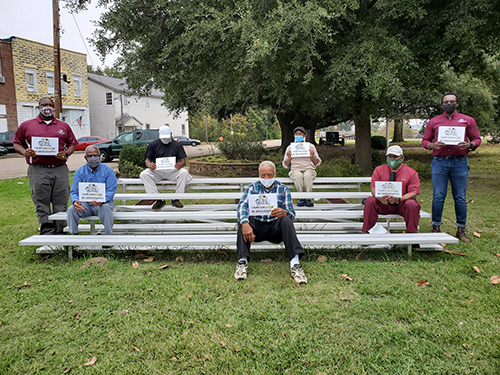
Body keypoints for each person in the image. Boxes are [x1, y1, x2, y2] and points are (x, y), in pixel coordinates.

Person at [234, 161, 307, 284]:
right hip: (256, 229)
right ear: (259, 175)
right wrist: (245, 223)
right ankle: (242, 261)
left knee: (286, 219)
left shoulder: (283, 189)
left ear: (275, 174)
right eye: (263, 175)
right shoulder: (252, 188)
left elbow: (292, 214)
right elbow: (242, 206)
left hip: (276, 230)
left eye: (269, 175)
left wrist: (285, 212)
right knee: (244, 221)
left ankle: (295, 263)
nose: (266, 178)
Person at [422, 92, 481, 242]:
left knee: (460, 197)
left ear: (457, 104)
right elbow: (424, 141)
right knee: (438, 196)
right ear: (442, 105)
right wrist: (432, 145)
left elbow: (477, 139)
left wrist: (470, 145)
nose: (449, 103)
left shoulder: (467, 120)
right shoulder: (434, 121)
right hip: (439, 162)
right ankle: (436, 227)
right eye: (446, 101)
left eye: (452, 101)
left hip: (459, 162)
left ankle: (461, 230)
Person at [13, 97, 78, 234]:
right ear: (39, 107)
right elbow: (16, 143)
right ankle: (47, 233)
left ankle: (61, 231)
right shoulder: (27, 125)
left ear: (54, 107)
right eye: (44, 105)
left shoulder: (63, 126)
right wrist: (25, 151)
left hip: (59, 169)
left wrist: (66, 154)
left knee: (61, 202)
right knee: (41, 203)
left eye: (50, 105)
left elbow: (72, 144)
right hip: (38, 169)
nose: (47, 107)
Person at [362, 145, 421, 234]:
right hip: (383, 203)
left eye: (395, 157)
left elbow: (413, 193)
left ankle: (411, 236)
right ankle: (367, 232)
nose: (392, 159)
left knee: (412, 204)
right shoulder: (379, 170)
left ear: (402, 158)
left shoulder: (411, 173)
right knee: (370, 201)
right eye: (390, 156)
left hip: (401, 203)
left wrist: (399, 199)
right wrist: (380, 198)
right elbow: (373, 188)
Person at [67, 145, 117, 235]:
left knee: (106, 208)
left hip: (103, 203)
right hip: (85, 204)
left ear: (99, 156)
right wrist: (75, 201)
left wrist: (102, 200)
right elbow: (74, 191)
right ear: (85, 158)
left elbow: (111, 190)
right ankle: (73, 237)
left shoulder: (108, 171)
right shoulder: (79, 172)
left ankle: (109, 236)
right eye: (90, 156)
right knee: (71, 210)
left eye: (95, 155)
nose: (93, 158)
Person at [140, 125, 191, 209]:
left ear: (171, 134)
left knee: (184, 172)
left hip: (172, 171)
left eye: (167, 138)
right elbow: (147, 160)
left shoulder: (177, 145)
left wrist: (180, 164)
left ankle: (176, 199)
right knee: (144, 174)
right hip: (157, 171)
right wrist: (149, 164)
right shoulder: (153, 145)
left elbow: (183, 160)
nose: (165, 140)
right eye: (163, 138)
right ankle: (158, 199)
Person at [282, 126, 322, 207]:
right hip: (295, 169)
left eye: (300, 134)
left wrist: (312, 156)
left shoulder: (310, 146)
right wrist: (289, 158)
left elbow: (318, 163)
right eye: (296, 134)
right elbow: (285, 165)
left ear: (304, 135)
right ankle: (301, 197)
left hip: (309, 168)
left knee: (307, 176)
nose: (298, 135)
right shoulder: (290, 148)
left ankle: (308, 197)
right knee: (297, 176)